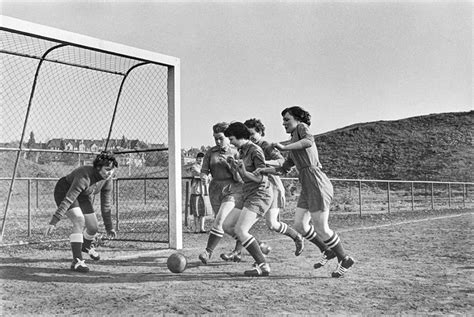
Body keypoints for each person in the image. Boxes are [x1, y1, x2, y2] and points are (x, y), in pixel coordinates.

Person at [258, 106, 355, 278]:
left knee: (322, 228)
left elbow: (309, 141)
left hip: (316, 182)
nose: (283, 123)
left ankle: (344, 258)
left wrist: (284, 146)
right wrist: (263, 169)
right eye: (283, 120)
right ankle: (326, 250)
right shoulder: (293, 143)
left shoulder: (302, 129)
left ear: (297, 119)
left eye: (287, 119)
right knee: (299, 225)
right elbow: (283, 169)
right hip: (306, 185)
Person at [220, 118, 304, 262]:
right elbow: (244, 173)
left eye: (252, 133)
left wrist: (261, 165)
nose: (250, 136)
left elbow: (282, 163)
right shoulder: (243, 149)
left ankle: (296, 236)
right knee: (239, 225)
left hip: (270, 186)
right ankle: (242, 251)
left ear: (260, 132)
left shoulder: (265, 147)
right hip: (252, 187)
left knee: (272, 224)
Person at [43, 152, 118, 273]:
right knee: (79, 220)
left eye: (112, 170)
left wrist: (110, 228)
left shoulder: (107, 179)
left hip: (84, 195)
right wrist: (54, 221)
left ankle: (85, 245)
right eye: (107, 169)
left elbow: (106, 205)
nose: (110, 173)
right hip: (65, 191)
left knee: (93, 228)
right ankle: (76, 261)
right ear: (98, 168)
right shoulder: (84, 175)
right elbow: (69, 198)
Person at [222, 122, 274, 276]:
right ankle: (260, 246)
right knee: (227, 226)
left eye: (231, 139)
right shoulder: (241, 151)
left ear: (240, 137)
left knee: (240, 230)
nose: (230, 142)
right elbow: (240, 178)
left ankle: (263, 265)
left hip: (260, 194)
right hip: (247, 193)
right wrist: (234, 167)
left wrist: (243, 170)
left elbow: (260, 179)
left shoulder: (255, 151)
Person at [198, 122, 244, 264]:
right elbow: (204, 170)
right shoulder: (211, 152)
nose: (217, 141)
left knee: (219, 221)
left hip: (233, 189)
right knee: (227, 225)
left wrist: (231, 166)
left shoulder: (236, 152)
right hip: (215, 189)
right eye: (215, 138)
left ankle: (207, 252)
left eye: (220, 138)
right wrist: (204, 176)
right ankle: (245, 247)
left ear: (228, 137)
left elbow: (240, 177)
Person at [188, 152, 208, 233]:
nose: (200, 160)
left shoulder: (205, 167)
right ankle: (196, 228)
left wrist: (205, 176)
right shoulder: (194, 166)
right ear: (196, 159)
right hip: (196, 191)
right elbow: (199, 174)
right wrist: (204, 176)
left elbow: (208, 177)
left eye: (202, 158)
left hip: (204, 192)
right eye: (199, 158)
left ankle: (202, 228)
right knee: (196, 212)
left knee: (203, 211)